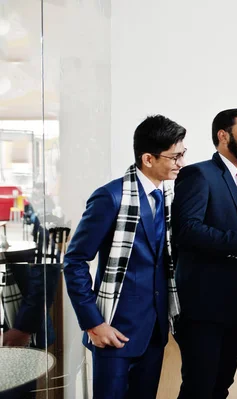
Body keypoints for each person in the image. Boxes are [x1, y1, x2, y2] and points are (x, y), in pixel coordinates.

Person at [63, 115, 186, 398]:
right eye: (175, 156)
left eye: (182, 154)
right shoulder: (111, 197)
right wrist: (94, 323)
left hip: (155, 331)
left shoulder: (168, 197)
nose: (181, 162)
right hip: (114, 331)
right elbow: (75, 261)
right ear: (148, 158)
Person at [171, 108, 237, 399]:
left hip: (236, 304)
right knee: (198, 388)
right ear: (223, 135)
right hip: (203, 305)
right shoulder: (198, 174)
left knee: (220, 387)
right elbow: (186, 231)